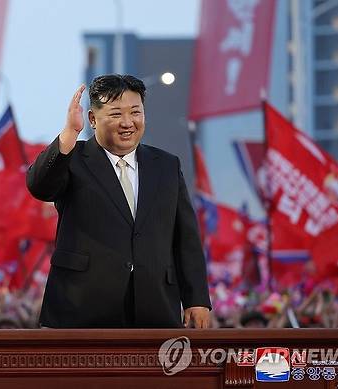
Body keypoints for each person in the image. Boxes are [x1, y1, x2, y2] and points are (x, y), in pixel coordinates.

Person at [26, 74, 211, 328]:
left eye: (135, 112)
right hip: (82, 309)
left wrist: (197, 299)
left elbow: (185, 238)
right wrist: (69, 134)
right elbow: (40, 187)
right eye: (115, 114)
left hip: (154, 309)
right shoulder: (73, 159)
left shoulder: (166, 165)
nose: (127, 123)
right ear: (93, 118)